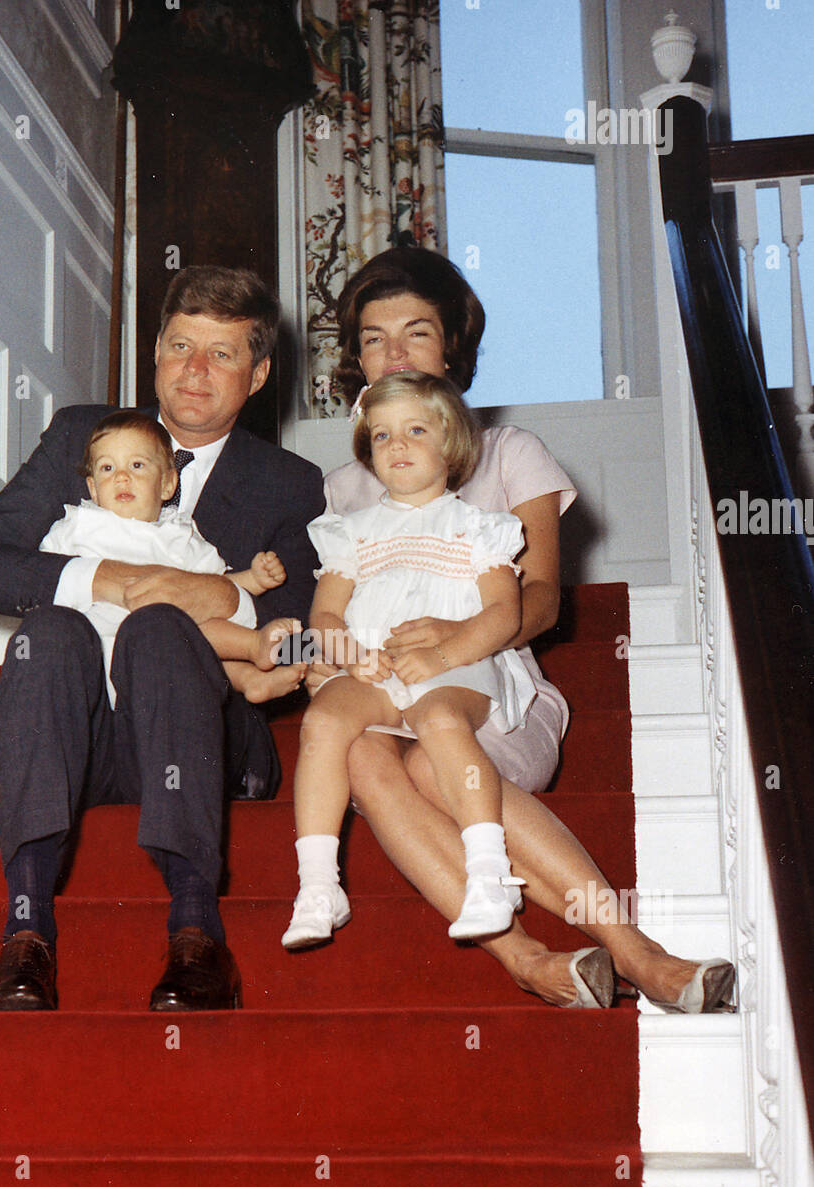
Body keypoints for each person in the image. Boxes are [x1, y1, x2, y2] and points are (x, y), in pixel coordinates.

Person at [313, 246, 735, 1013]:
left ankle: (634, 950)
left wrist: (458, 634)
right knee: (365, 753)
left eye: (416, 333)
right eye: (374, 338)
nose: (393, 354)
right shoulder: (342, 488)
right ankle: (527, 958)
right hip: (387, 697)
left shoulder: (510, 453)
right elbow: (335, 612)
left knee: (426, 763)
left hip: (494, 690)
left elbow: (543, 601)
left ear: (451, 348)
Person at [0, 265, 326, 1013]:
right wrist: (112, 578)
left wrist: (217, 594)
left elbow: (296, 630)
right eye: (180, 346)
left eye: (221, 355)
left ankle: (196, 934)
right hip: (80, 735)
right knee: (50, 630)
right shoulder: (80, 436)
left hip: (198, 732)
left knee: (158, 628)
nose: (193, 371)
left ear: (256, 376)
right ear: (153, 350)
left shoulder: (290, 480)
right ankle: (25, 934)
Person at [286, 372, 533, 949]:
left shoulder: (478, 529)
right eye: (381, 436)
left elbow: (503, 614)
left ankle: (489, 872)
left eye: (415, 431)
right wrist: (348, 650)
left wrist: (445, 653)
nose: (396, 446)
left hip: (454, 665)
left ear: (451, 444)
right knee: (323, 721)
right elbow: (323, 617)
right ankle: (320, 885)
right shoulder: (352, 532)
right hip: (374, 665)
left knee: (440, 722)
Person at [39, 408, 305, 707]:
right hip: (95, 648)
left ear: (168, 484)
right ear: (92, 489)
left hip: (166, 660)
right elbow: (44, 578)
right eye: (107, 468)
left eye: (137, 465)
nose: (122, 477)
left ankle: (252, 666)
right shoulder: (77, 525)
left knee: (199, 630)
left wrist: (253, 579)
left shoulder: (179, 535)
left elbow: (215, 587)